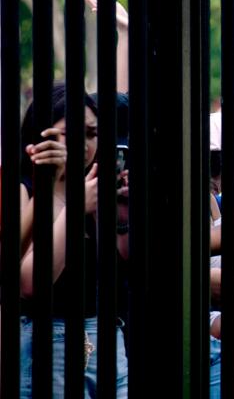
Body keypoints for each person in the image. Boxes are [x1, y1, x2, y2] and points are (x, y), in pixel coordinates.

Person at [18, 83, 129, 397]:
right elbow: (30, 283)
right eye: (71, 133)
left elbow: (125, 260)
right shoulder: (26, 189)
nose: (84, 143)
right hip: (49, 346)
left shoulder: (95, 186)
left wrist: (123, 207)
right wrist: (76, 208)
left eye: (92, 134)